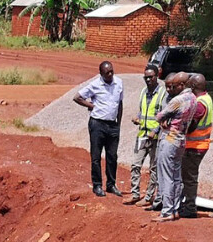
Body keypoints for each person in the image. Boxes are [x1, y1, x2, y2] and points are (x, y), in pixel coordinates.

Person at [74, 60, 124, 197]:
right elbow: (77, 97)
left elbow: (120, 104)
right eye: (107, 72)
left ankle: (111, 185)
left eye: (112, 71)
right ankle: (97, 185)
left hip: (113, 125)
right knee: (96, 156)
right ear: (101, 74)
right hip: (97, 124)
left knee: (112, 156)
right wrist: (91, 106)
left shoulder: (119, 83)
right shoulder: (95, 85)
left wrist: (118, 123)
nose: (110, 74)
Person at [154, 74, 198, 221]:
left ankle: (166, 211)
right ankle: (175, 208)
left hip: (170, 139)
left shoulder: (178, 100)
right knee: (176, 176)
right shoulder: (193, 99)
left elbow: (160, 116)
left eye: (175, 85)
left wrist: (165, 121)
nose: (172, 88)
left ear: (182, 85)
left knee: (166, 176)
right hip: (181, 139)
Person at [127, 64, 164, 207]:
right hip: (142, 134)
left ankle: (149, 197)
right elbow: (142, 111)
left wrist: (156, 131)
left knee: (153, 168)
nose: (148, 80)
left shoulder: (162, 93)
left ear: (157, 76)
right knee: (135, 165)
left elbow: (164, 116)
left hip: (155, 137)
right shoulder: (143, 92)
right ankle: (135, 194)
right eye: (146, 77)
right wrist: (137, 118)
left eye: (151, 77)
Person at [180, 72, 213, 218]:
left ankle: (190, 208)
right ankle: (186, 205)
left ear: (193, 85)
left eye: (189, 83)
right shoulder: (206, 98)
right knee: (188, 176)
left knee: (189, 178)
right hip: (199, 144)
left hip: (195, 145)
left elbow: (192, 124)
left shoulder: (200, 104)